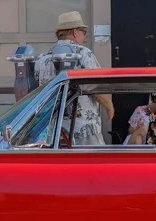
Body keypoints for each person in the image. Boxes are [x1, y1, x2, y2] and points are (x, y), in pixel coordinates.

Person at [35, 11, 113, 146]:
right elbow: (95, 86)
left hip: (53, 131)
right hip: (83, 129)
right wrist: (109, 105)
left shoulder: (42, 58)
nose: (84, 36)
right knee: (94, 159)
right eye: (84, 32)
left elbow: (37, 89)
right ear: (75, 32)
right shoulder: (84, 54)